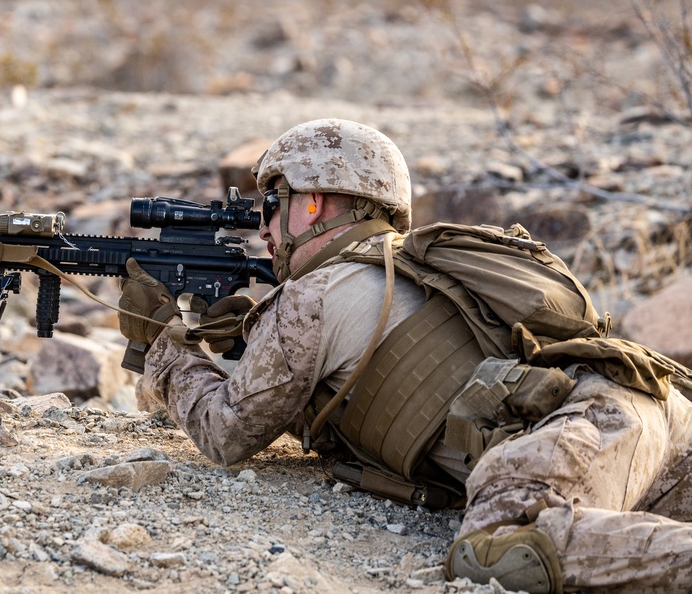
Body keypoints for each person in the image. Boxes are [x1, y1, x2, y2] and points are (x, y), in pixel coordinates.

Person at [116, 118, 692, 593]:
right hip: (651, 405)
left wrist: (162, 341)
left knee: (502, 551)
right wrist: (245, 343)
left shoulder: (313, 295)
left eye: (272, 204)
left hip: (579, 435)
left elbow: (226, 435)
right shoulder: (404, 265)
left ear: (313, 203)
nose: (262, 228)